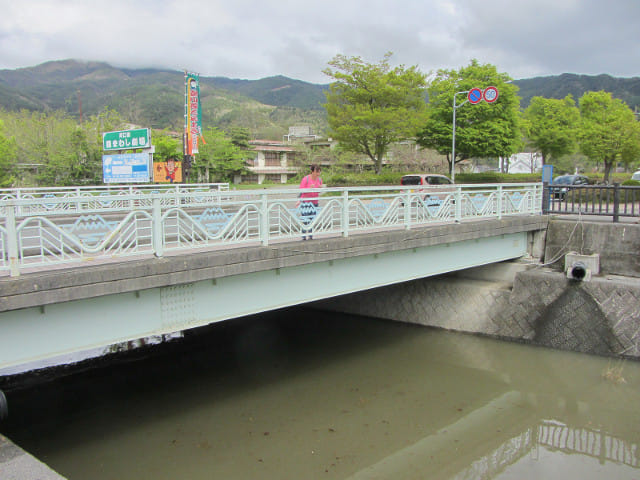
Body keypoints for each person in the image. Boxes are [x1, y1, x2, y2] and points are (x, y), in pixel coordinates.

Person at [298, 164, 323, 240]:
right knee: (305, 219)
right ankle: (304, 236)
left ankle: (310, 235)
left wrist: (319, 189)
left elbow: (319, 192)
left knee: (312, 219)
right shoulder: (306, 179)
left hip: (314, 202)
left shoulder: (319, 180)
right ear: (312, 172)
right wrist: (309, 188)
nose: (318, 174)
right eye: (316, 172)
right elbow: (301, 190)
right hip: (306, 202)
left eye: (319, 172)